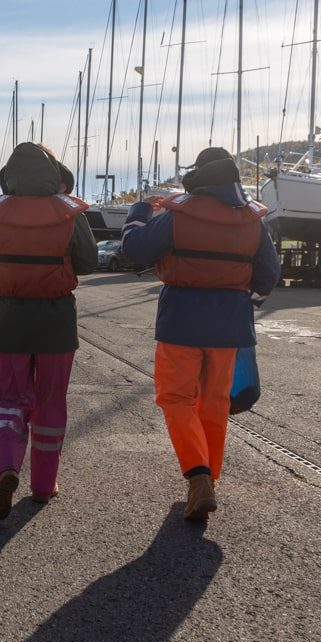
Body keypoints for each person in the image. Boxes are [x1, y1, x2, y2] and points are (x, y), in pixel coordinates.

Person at [120, 146, 281, 522]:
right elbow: (269, 273)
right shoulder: (251, 220)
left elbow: (135, 249)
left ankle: (198, 476)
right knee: (214, 404)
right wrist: (246, 304)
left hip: (181, 320)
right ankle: (209, 479)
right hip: (230, 324)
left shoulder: (179, 215)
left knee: (176, 399)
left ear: (199, 175)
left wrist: (140, 210)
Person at [0, 143, 98, 520]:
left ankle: (7, 466)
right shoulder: (70, 212)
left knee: (7, 397)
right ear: (55, 175)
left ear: (8, 176)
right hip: (57, 319)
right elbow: (88, 262)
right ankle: (43, 485)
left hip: (8, 317)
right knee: (50, 400)